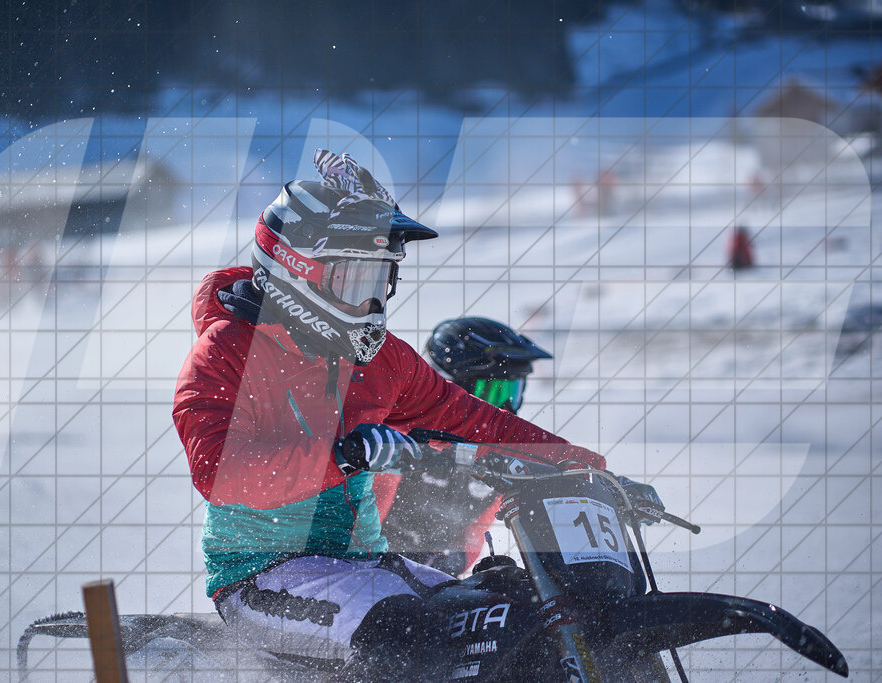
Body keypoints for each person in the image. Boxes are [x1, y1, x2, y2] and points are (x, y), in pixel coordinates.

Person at [172, 149, 660, 675]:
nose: (370, 302)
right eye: (352, 282)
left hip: (369, 566)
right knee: (403, 634)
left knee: (514, 620)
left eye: (378, 280)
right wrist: (344, 455)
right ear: (296, 272)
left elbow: (479, 421)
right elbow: (221, 473)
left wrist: (586, 470)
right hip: (261, 577)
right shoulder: (227, 351)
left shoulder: (383, 362)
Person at [373, 317, 552, 576]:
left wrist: (453, 563)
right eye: (493, 394)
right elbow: (359, 531)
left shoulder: (499, 460)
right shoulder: (393, 441)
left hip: (432, 582)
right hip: (371, 578)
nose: (505, 411)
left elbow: (476, 530)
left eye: (512, 392)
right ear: (449, 389)